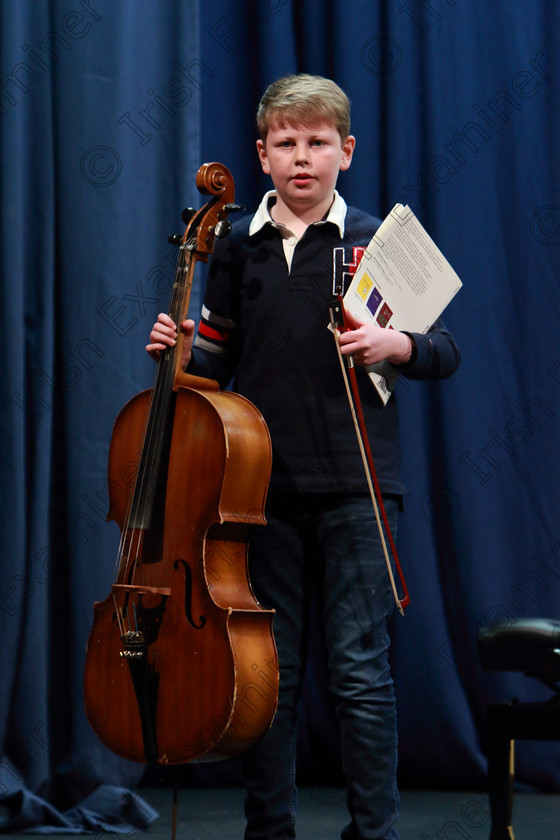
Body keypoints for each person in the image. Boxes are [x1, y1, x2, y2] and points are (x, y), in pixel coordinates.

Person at [147, 74, 460, 840]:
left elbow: (446, 351)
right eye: (286, 143)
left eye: (318, 143)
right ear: (262, 154)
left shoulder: (376, 241)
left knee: (360, 675)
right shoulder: (234, 246)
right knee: (269, 677)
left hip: (358, 491)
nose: (302, 157)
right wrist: (179, 354)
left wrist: (401, 344)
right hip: (257, 495)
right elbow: (213, 368)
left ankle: (373, 831)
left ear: (345, 153)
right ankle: (271, 829)